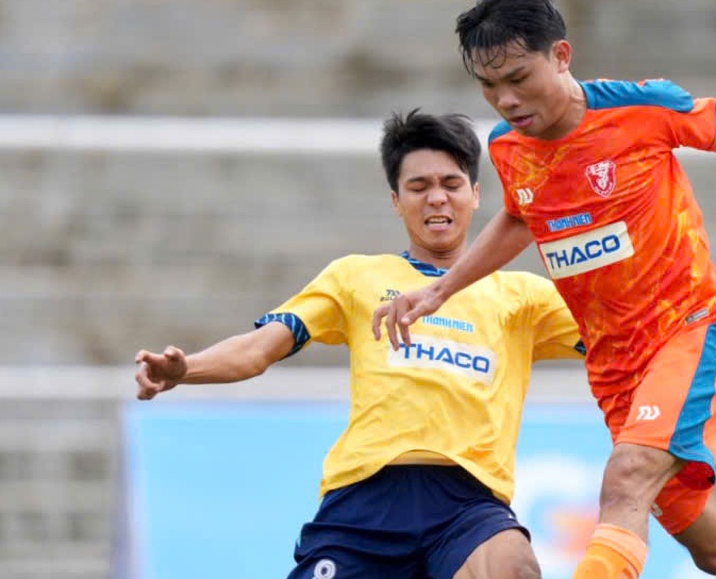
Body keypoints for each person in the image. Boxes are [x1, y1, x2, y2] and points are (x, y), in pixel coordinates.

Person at [374, 0, 716, 579]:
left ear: (561, 56)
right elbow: (522, 217)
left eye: (519, 78)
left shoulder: (639, 109)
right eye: (490, 87)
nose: (506, 100)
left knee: (625, 478)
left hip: (694, 328)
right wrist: (440, 289)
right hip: (616, 367)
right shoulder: (507, 149)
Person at [134, 108, 585, 579]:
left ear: (475, 195)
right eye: (418, 187)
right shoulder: (355, 277)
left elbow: (622, 335)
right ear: (396, 200)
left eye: (451, 184)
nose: (437, 199)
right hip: (368, 500)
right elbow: (257, 350)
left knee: (511, 563)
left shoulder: (522, 297)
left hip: (467, 504)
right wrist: (186, 370)